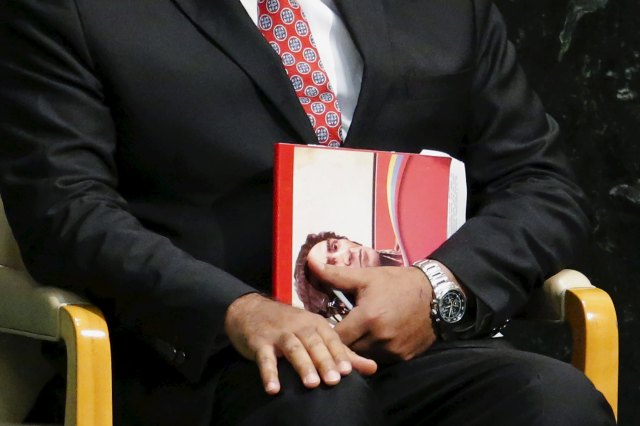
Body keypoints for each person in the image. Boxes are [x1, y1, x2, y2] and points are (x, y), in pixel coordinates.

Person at [0, 0, 615, 425]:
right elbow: (65, 210)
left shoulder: (448, 9)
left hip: (420, 351)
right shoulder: (73, 10)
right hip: (204, 363)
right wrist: (236, 311)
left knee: (552, 401)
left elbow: (540, 183)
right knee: (319, 403)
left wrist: (434, 289)